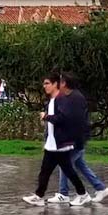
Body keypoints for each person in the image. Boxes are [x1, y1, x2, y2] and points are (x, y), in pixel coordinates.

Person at [23, 71, 90, 207]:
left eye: (47, 83)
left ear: (55, 84)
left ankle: (82, 194)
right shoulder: (53, 100)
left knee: (66, 171)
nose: (44, 86)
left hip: (60, 143)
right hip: (53, 143)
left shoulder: (62, 99)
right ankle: (39, 196)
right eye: (44, 83)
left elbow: (64, 119)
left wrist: (46, 117)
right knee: (49, 171)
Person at [50, 72, 108, 204]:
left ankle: (66, 193)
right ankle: (101, 188)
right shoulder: (70, 97)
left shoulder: (75, 98)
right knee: (80, 165)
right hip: (74, 138)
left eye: (59, 82)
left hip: (75, 139)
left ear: (64, 83)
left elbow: (74, 120)